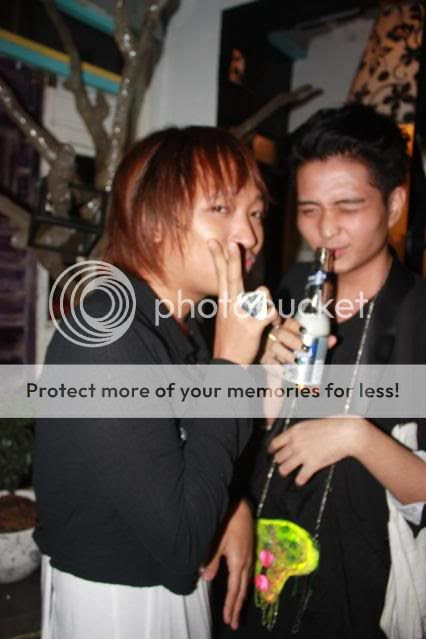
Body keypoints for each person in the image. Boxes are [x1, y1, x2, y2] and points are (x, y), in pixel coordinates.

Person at [33, 126, 277, 639]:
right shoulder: (104, 335)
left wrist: (231, 504)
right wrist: (230, 368)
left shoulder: (183, 331)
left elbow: (192, 466)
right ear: (154, 222)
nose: (249, 235)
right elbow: (182, 539)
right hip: (117, 603)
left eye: (256, 213)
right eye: (221, 208)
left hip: (166, 591)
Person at [212, 103, 426, 638]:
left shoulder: (417, 318)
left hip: (357, 598)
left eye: (348, 206)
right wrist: (262, 374)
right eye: (309, 210)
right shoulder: (286, 291)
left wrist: (356, 437)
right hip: (260, 577)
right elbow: (252, 433)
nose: (325, 229)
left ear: (394, 204)